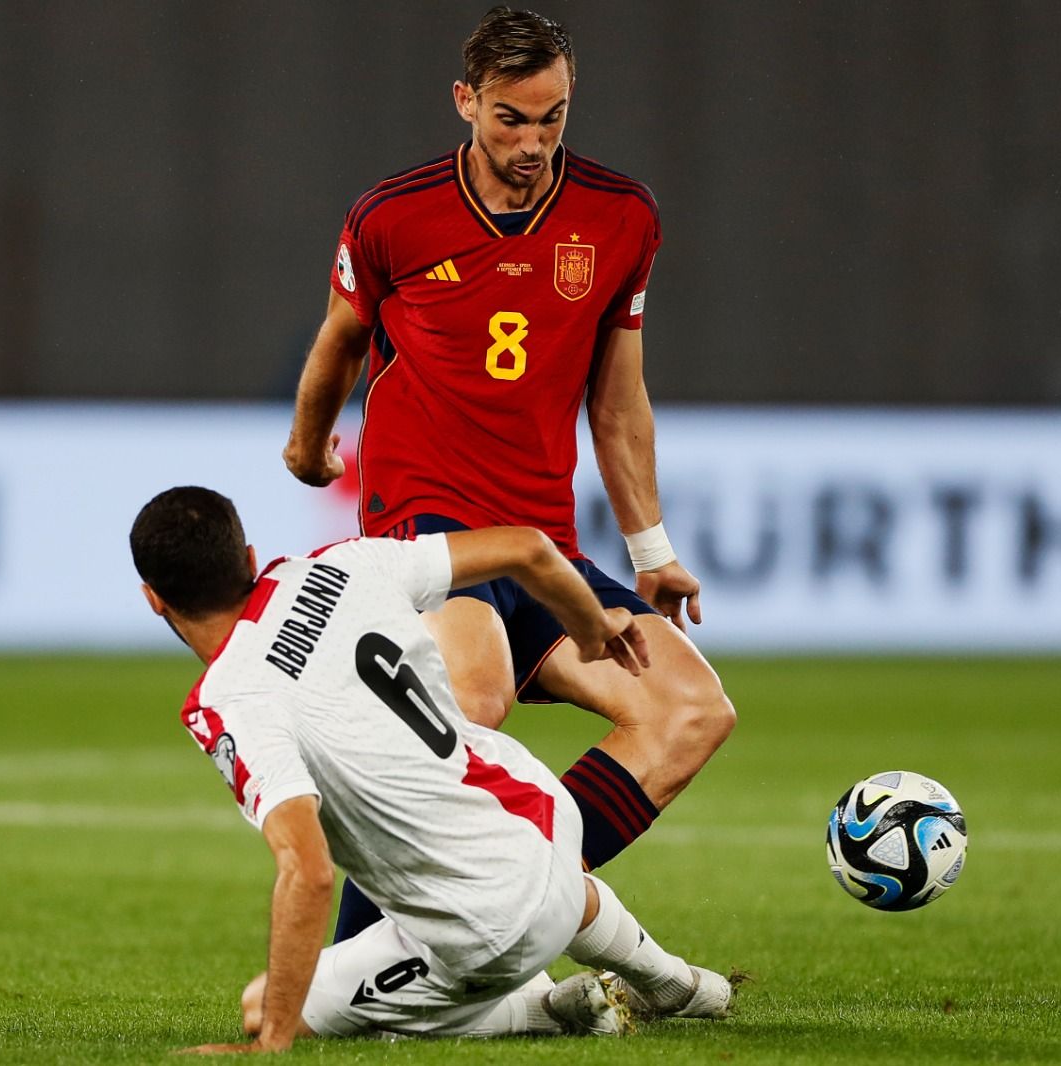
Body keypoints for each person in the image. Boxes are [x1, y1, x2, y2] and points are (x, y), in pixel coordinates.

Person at [282, 6, 736, 939]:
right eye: (510, 119)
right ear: (466, 102)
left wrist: (650, 548)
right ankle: (364, 955)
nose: (533, 143)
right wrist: (305, 445)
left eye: (553, 117)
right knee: (473, 697)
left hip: (544, 547)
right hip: (429, 525)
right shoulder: (392, 216)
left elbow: (616, 402)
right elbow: (339, 341)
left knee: (691, 711)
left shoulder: (621, 217)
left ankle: (506, 894)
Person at [130, 486, 732, 1052]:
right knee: (521, 874)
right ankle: (681, 985)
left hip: (492, 927)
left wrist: (273, 1041)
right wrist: (591, 624)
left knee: (265, 1004)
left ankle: (545, 1009)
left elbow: (309, 873)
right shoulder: (338, 563)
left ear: (153, 597)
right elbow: (526, 546)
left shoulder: (231, 702)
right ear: (250, 557)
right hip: (547, 819)